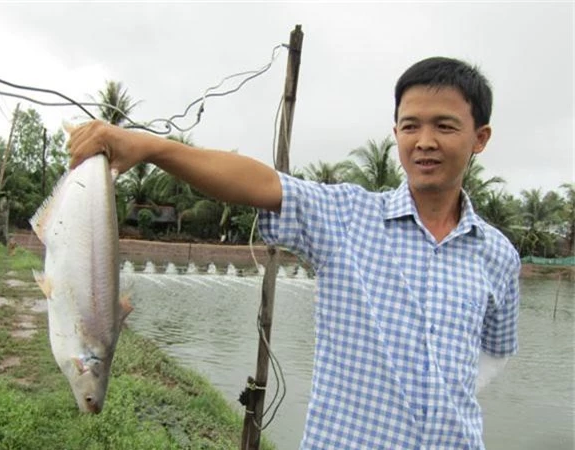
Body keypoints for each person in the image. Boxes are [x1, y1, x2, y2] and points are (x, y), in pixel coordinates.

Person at [67, 56, 520, 449]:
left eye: (445, 126)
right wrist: (150, 147)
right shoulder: (347, 216)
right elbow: (262, 183)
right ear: (395, 132)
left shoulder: (499, 256)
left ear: (480, 138)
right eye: (410, 125)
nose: (424, 141)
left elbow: (492, 358)